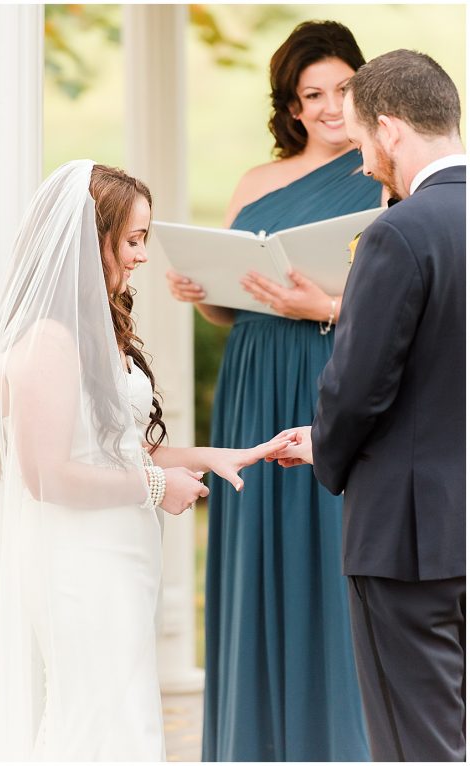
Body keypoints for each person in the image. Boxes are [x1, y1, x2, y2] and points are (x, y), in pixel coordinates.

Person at [0, 160, 290, 760]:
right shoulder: (47, 342)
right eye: (134, 240)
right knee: (98, 720)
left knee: (125, 713)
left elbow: (119, 446)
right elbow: (46, 475)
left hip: (118, 555)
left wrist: (224, 455)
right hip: (79, 562)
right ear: (95, 239)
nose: (143, 256)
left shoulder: (92, 333)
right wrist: (153, 486)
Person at [165, 21, 382, 761]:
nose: (327, 107)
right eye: (309, 95)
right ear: (290, 107)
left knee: (332, 547)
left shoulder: (385, 173)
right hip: (254, 374)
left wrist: (322, 307)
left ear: (365, 82)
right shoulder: (257, 182)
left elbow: (419, 302)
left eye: (342, 88)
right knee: (256, 546)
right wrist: (200, 290)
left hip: (331, 371)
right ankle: (254, 742)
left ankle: (340, 743)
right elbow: (233, 301)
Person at [268, 50, 466, 762]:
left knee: (422, 743)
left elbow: (357, 385)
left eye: (358, 143)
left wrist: (325, 443)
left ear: (389, 129)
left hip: (409, 538)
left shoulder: (397, 232)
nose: (361, 163)